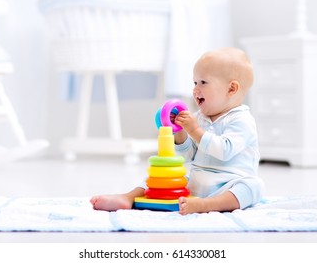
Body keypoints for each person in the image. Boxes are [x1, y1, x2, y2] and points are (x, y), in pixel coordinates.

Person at [90, 47, 264, 215]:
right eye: (194, 82)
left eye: (203, 82)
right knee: (158, 179)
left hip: (228, 185)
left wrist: (194, 129)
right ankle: (128, 198)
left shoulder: (242, 120)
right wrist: (180, 134)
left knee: (252, 187)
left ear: (231, 89)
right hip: (197, 184)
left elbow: (224, 150)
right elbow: (188, 156)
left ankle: (206, 205)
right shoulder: (200, 118)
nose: (195, 89)